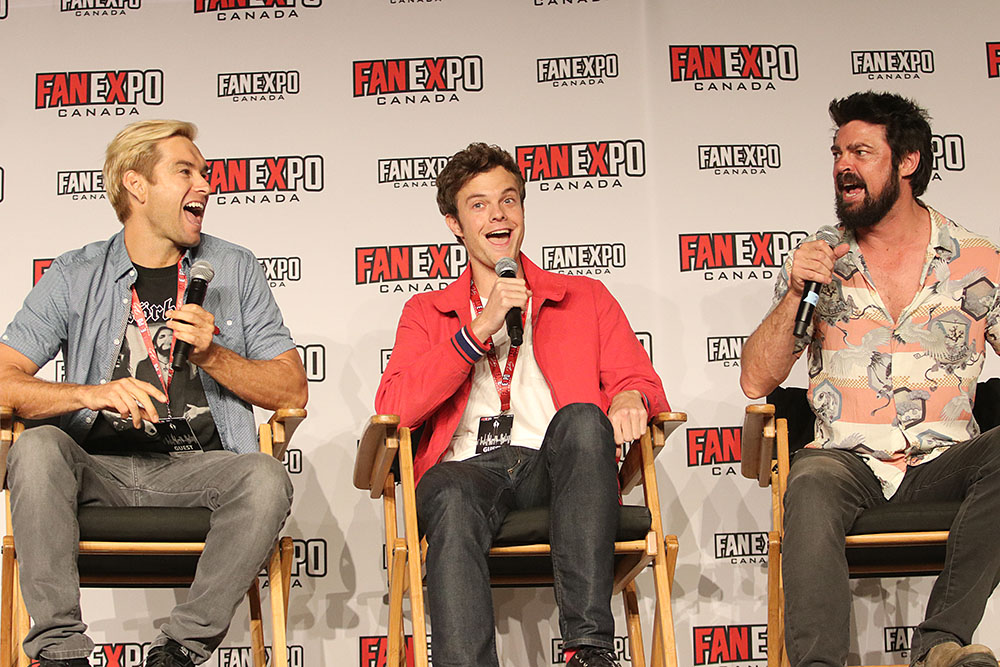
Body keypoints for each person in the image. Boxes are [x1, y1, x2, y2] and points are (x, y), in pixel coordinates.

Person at [0, 120, 308, 667]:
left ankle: (179, 651)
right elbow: (3, 379)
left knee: (264, 476)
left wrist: (215, 354)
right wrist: (89, 394)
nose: (206, 187)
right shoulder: (77, 273)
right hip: (96, 469)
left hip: (199, 470)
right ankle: (60, 653)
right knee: (37, 448)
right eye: (185, 172)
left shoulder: (234, 267)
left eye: (206, 173)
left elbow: (291, 388)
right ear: (135, 185)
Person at [375, 143, 669, 667]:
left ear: (524, 212)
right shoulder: (427, 312)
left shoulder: (584, 297)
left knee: (582, 419)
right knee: (447, 491)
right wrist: (476, 332)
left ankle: (589, 651)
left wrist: (629, 395)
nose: (499, 215)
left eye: (509, 200)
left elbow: (638, 380)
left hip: (554, 468)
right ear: (454, 224)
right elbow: (394, 405)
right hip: (466, 472)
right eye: (480, 205)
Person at [740, 91, 1000, 667]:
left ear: (907, 162)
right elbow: (756, 380)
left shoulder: (978, 261)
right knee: (807, 481)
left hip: (945, 462)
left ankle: (940, 645)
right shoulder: (821, 258)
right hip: (845, 462)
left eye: (860, 151)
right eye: (836, 153)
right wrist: (792, 295)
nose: (842, 166)